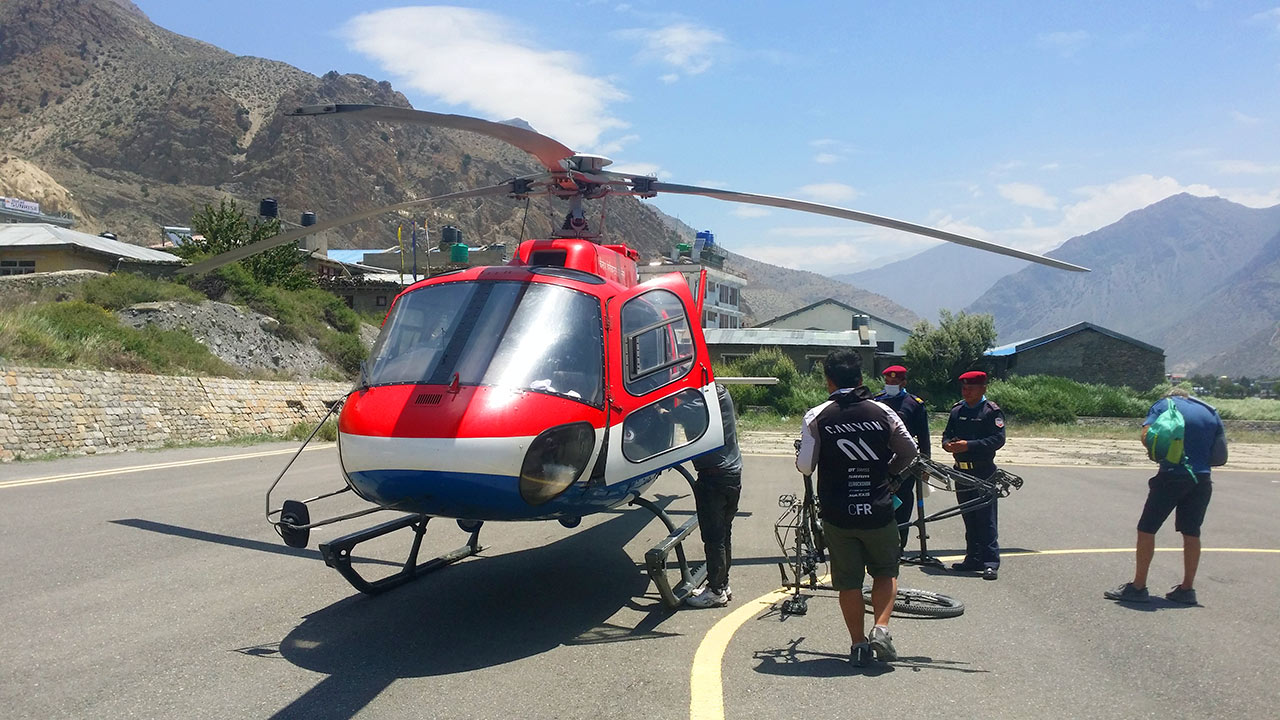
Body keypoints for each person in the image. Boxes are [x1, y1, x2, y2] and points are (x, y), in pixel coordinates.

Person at [796, 349, 919, 666]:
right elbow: (909, 451)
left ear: (828, 381)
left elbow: (806, 466)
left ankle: (858, 645)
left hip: (838, 513)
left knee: (848, 582)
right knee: (886, 571)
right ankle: (881, 627)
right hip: (878, 508)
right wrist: (888, 472)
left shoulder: (817, 416)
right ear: (862, 379)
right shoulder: (883, 412)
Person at [1105, 388, 1228, 605]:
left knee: (1147, 528)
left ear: (1170, 395)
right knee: (1191, 532)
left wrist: (1158, 452)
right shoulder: (1210, 411)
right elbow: (1219, 454)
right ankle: (1187, 589)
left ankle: (1138, 586)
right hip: (1201, 479)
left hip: (1172, 476)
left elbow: (1148, 436)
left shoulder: (1163, 405)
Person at [941, 370, 1005, 581]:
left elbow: (997, 439)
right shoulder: (957, 410)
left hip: (983, 470)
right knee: (968, 516)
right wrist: (948, 445)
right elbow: (946, 435)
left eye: (971, 388)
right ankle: (973, 558)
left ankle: (990, 562)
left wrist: (968, 445)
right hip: (962, 471)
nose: (966, 391)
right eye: (964, 388)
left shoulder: (990, 412)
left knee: (985, 518)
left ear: (983, 389)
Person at [685, 383, 744, 608]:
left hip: (714, 478)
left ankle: (716, 590)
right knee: (723, 533)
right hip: (732, 475)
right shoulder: (721, 393)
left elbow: (673, 414)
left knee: (713, 538)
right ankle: (722, 583)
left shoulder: (702, 402)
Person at [874, 365, 930, 548]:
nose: (890, 384)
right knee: (879, 503)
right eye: (887, 381)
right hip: (880, 462)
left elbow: (924, 437)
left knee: (903, 504)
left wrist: (925, 464)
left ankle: (900, 545)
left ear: (903, 383)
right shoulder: (877, 401)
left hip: (905, 463)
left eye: (894, 382)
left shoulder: (914, 404)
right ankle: (881, 545)